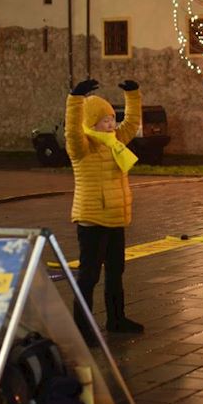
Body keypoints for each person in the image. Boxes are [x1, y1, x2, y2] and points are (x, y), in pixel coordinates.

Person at [66, 76, 145, 334]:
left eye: (112, 118)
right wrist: (75, 99)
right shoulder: (82, 147)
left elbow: (131, 123)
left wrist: (132, 95)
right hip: (92, 220)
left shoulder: (115, 141)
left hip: (115, 218)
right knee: (89, 276)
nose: (112, 124)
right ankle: (83, 328)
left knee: (115, 271)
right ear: (92, 123)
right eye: (105, 120)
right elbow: (72, 130)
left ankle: (116, 319)